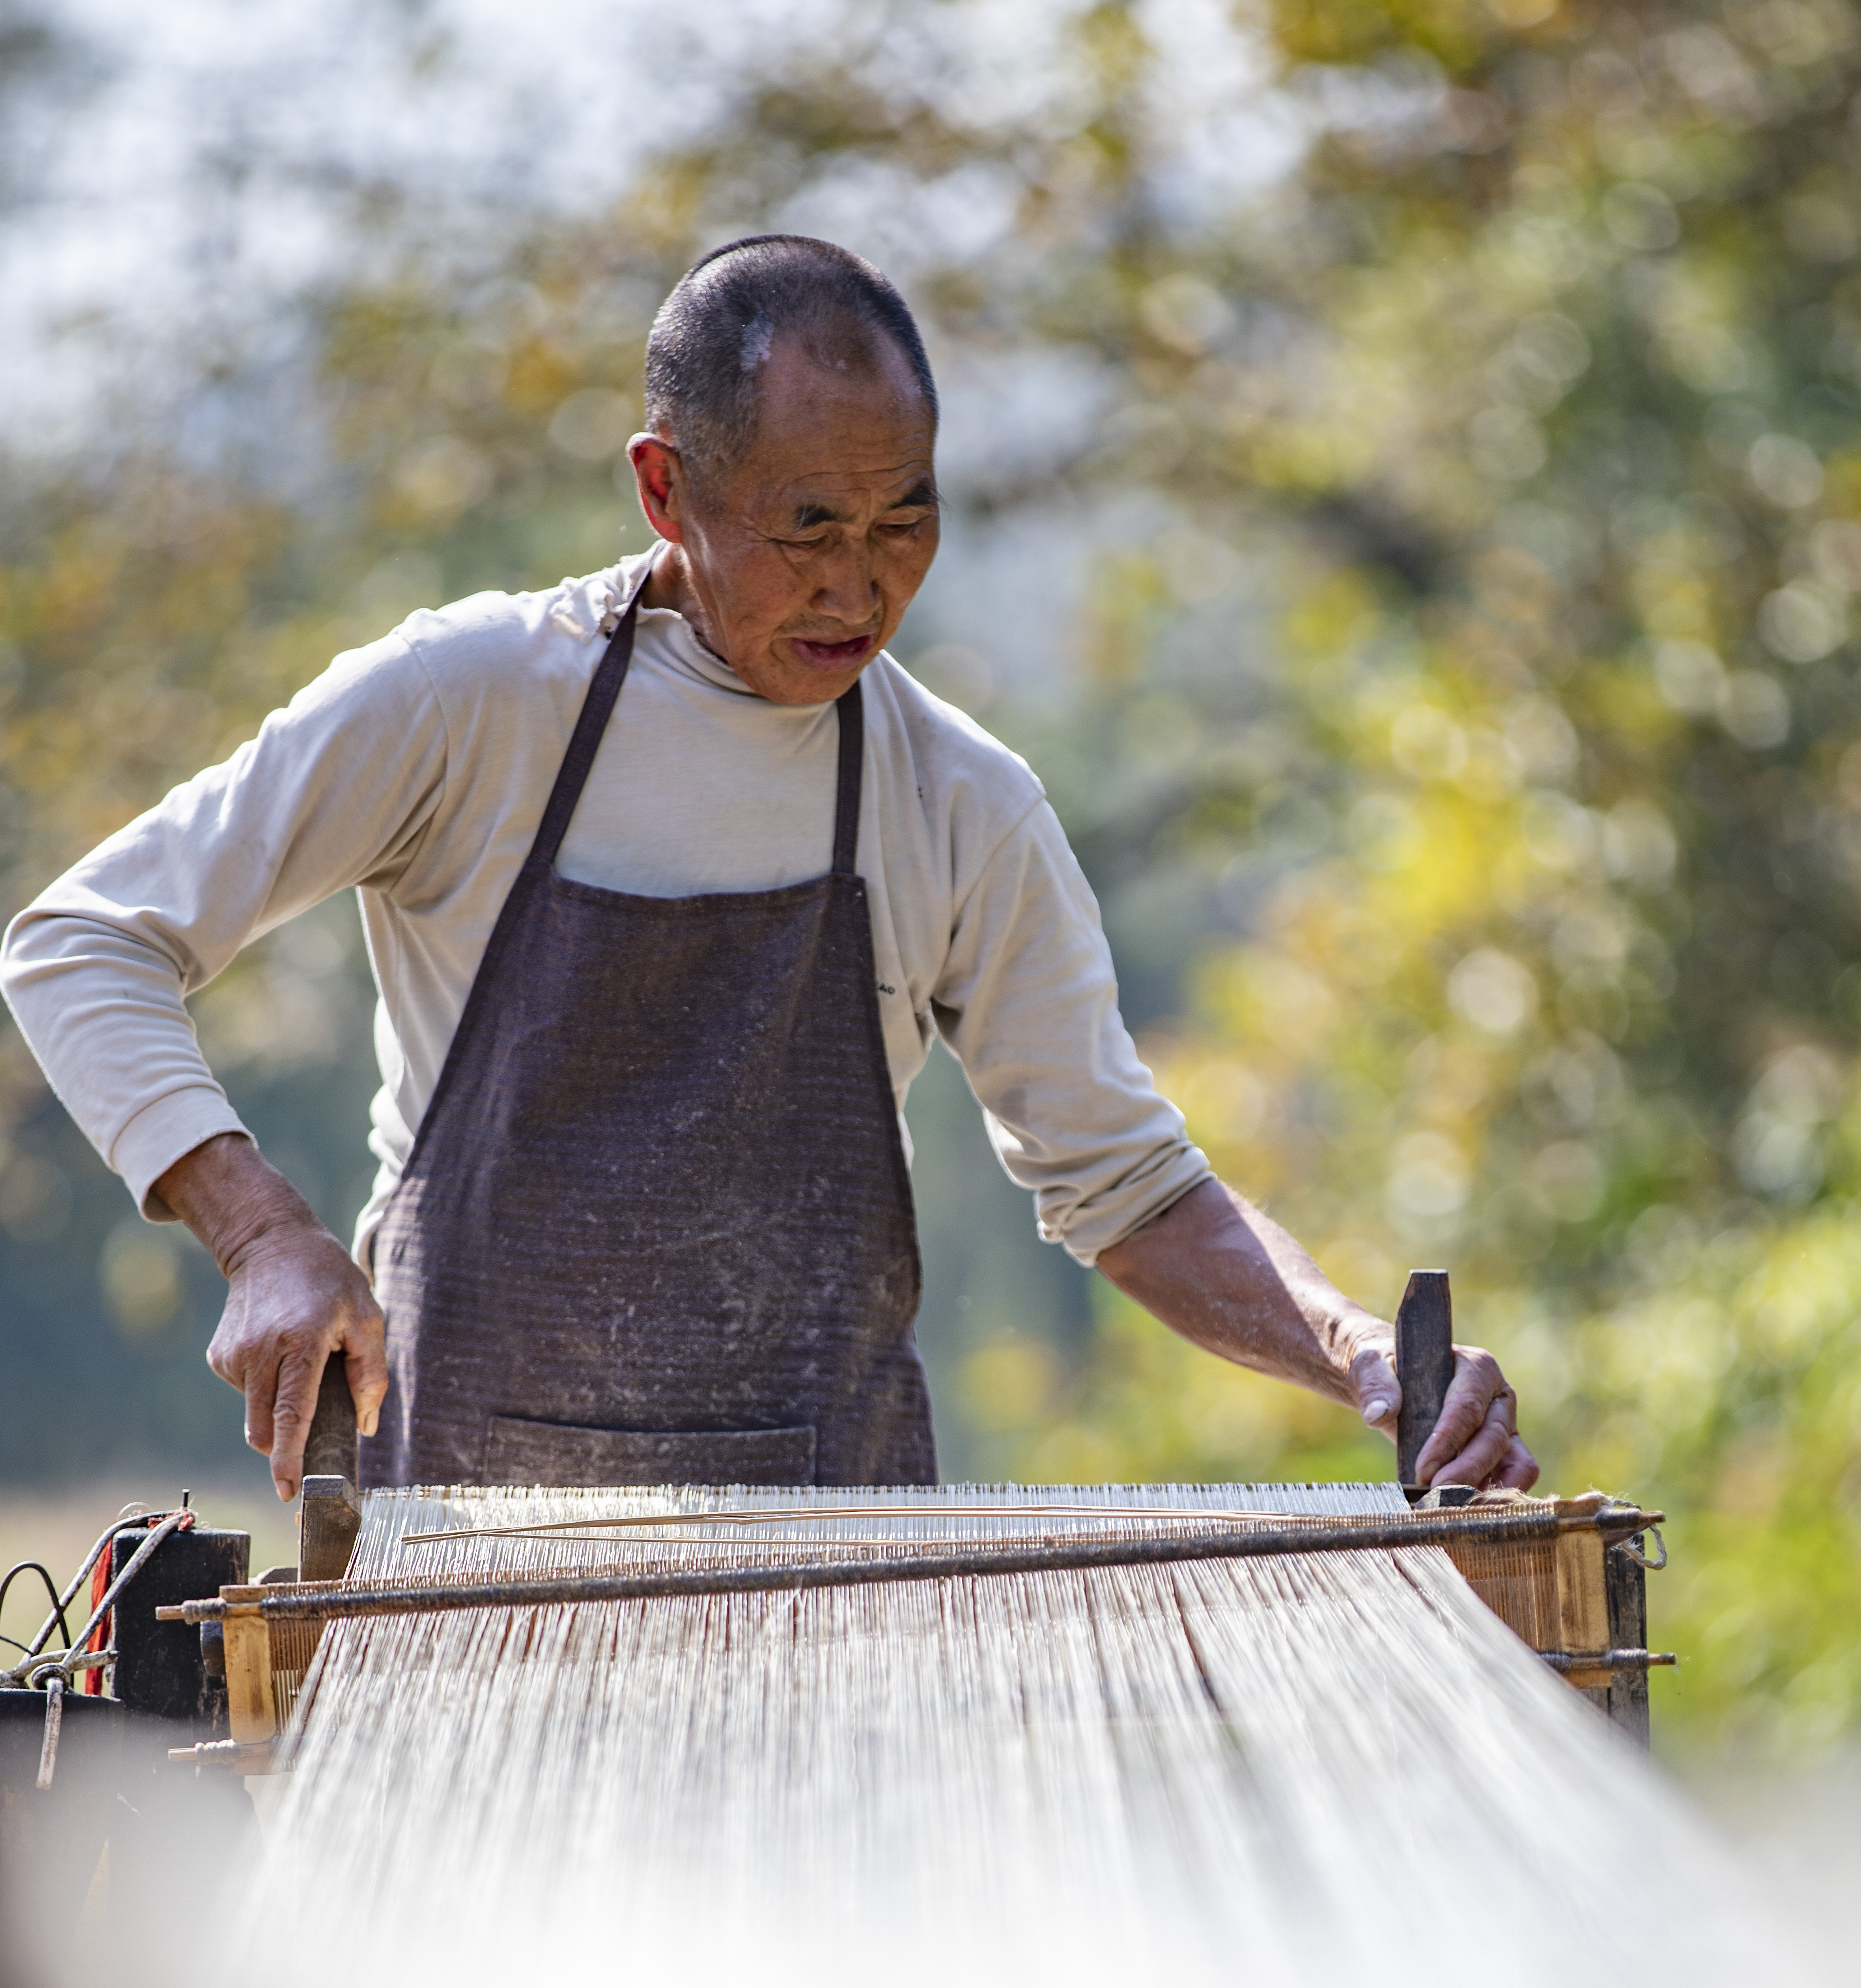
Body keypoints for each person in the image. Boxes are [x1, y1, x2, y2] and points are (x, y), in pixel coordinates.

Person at [0, 235, 1535, 1502]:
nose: (860, 585)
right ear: (665, 491)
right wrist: (263, 1235)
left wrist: (1355, 1358)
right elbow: (78, 944)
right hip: (464, 1566)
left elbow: (1127, 1188)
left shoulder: (959, 803)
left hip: (834, 1578)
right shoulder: (469, 704)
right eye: (806, 529)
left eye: (904, 521)